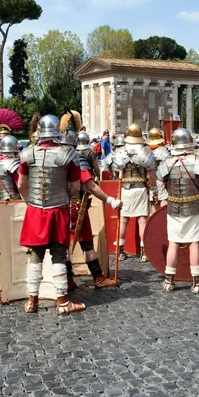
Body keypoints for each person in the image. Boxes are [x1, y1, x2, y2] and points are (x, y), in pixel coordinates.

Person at [18, 113, 85, 316]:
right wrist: (64, 196)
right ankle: (62, 302)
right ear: (57, 131)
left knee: (36, 256)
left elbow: (21, 185)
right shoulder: (68, 155)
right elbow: (75, 186)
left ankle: (32, 301)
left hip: (36, 210)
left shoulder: (28, 153)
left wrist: (30, 200)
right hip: (58, 209)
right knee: (58, 255)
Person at [157, 128, 199, 294]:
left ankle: (169, 281)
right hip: (194, 208)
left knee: (173, 243)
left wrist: (163, 201)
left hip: (173, 207)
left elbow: (160, 183)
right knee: (194, 243)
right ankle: (197, 283)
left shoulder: (167, 163)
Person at [66, 121, 122, 290]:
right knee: (87, 243)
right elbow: (90, 185)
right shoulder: (74, 158)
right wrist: (110, 200)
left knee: (62, 247)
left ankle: (67, 280)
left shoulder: (49, 157)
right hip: (75, 207)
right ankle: (98, 277)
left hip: (57, 207)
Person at [111, 123, 158, 262]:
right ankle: (144, 252)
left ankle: (120, 251)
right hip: (140, 188)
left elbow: (114, 171)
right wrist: (154, 190)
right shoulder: (146, 151)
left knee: (124, 220)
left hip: (125, 188)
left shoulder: (120, 151)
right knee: (142, 220)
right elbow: (151, 174)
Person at [146, 127, 170, 211]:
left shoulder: (145, 151)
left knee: (153, 204)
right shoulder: (164, 151)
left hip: (148, 181)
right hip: (161, 180)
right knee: (163, 201)